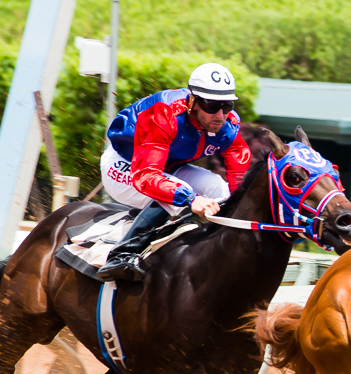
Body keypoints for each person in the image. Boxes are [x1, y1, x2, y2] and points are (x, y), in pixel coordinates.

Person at [96, 63, 252, 282]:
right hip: (126, 164)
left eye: (227, 106)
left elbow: (238, 172)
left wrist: (243, 204)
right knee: (180, 193)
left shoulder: (228, 124)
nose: (220, 115)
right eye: (212, 106)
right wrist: (191, 199)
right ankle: (121, 255)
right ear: (193, 101)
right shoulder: (164, 113)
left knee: (219, 188)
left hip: (168, 167)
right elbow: (147, 176)